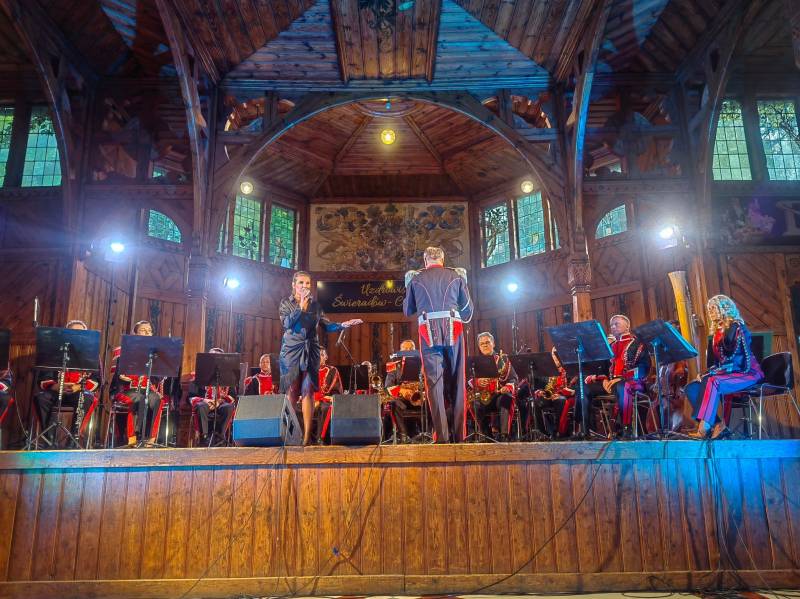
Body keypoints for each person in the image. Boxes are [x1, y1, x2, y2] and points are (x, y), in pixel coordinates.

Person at [279, 271, 362, 445]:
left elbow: (327, 325)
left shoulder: (315, 306)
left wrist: (343, 325)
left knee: (308, 390)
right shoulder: (286, 303)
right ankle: (290, 435)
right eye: (301, 283)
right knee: (292, 391)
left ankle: (306, 438)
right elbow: (287, 324)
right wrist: (301, 306)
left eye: (308, 283)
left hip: (311, 350)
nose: (305, 286)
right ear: (294, 285)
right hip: (291, 351)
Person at [403, 246, 473, 443]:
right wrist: (463, 283)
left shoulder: (416, 279)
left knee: (434, 384)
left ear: (426, 260)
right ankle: (459, 436)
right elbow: (468, 310)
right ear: (443, 259)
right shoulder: (456, 276)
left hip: (428, 331)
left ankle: (441, 437)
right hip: (454, 328)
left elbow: (408, 310)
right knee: (458, 380)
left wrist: (408, 285)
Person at [685, 295, 763, 439]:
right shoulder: (716, 333)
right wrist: (706, 373)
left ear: (725, 308)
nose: (711, 311)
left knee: (713, 381)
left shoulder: (737, 327)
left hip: (747, 373)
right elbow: (719, 363)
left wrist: (715, 373)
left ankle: (703, 429)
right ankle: (717, 425)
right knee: (692, 387)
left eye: (714, 308)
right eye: (709, 309)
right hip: (728, 373)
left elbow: (738, 359)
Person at [33, 319, 100, 447]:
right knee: (40, 398)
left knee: (86, 398)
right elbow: (42, 379)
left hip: (78, 392)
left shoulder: (92, 355)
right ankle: (49, 441)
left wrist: (78, 386)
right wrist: (56, 386)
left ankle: (73, 441)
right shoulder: (53, 352)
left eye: (81, 333)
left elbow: (96, 381)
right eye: (73, 332)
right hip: (55, 391)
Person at [584, 314, 649, 438]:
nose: (613, 327)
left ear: (627, 326)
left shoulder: (638, 344)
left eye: (616, 324)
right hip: (611, 383)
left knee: (623, 386)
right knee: (584, 388)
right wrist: (604, 379)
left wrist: (621, 378)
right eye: (611, 325)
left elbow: (643, 368)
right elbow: (603, 368)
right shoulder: (611, 346)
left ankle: (626, 428)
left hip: (633, 382)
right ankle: (585, 429)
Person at [110, 320, 167, 447]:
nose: (147, 333)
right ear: (135, 334)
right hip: (126, 390)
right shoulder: (124, 351)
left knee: (156, 400)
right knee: (140, 399)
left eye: (149, 331)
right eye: (143, 330)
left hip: (147, 389)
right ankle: (132, 438)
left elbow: (158, 378)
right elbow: (119, 376)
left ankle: (149, 439)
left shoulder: (155, 354)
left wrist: (158, 366)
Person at [469, 332, 518, 441]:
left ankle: (504, 435)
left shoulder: (503, 359)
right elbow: (469, 380)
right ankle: (487, 435)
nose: (485, 345)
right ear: (479, 347)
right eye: (482, 344)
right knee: (473, 404)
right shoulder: (476, 363)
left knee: (507, 398)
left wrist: (507, 387)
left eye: (487, 342)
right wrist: (478, 382)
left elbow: (514, 379)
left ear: (493, 344)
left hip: (499, 396)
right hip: (484, 397)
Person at [189, 347, 237, 446]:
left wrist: (218, 402)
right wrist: (205, 400)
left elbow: (232, 396)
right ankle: (204, 437)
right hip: (204, 402)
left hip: (220, 403)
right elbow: (191, 396)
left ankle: (220, 437)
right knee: (201, 406)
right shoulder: (198, 374)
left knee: (229, 407)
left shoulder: (228, 375)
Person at [533, 347, 577, 438]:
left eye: (556, 354)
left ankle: (559, 432)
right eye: (553, 354)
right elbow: (544, 386)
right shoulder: (549, 370)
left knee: (560, 400)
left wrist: (560, 393)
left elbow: (573, 388)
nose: (555, 357)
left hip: (565, 396)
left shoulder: (569, 368)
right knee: (536, 402)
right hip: (551, 395)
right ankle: (543, 432)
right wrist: (541, 391)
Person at [384, 339, 423, 441]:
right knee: (394, 403)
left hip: (418, 398)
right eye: (405, 349)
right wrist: (402, 391)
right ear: (401, 351)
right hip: (402, 400)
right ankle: (403, 434)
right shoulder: (393, 365)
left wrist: (419, 390)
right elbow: (388, 387)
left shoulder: (422, 365)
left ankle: (426, 433)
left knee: (432, 401)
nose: (408, 351)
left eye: (411, 349)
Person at [312, 348, 343, 443]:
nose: (318, 357)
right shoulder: (310, 371)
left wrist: (323, 398)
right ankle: (305, 438)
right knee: (297, 408)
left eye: (321, 355)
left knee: (325, 408)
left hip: (326, 400)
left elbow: (335, 391)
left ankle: (320, 439)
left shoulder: (332, 370)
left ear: (326, 357)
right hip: (311, 400)